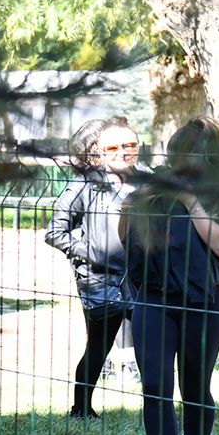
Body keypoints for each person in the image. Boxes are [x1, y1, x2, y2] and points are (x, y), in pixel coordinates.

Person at [120, 117, 219, 435]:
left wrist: (190, 201)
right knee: (155, 385)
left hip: (205, 299)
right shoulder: (158, 183)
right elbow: (125, 236)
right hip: (154, 295)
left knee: (194, 383)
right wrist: (134, 204)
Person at [44, 117, 140, 418]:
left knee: (153, 348)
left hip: (145, 279)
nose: (122, 152)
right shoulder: (85, 184)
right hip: (101, 281)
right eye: (113, 147)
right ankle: (81, 408)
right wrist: (93, 253)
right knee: (99, 346)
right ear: (100, 151)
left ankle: (157, 409)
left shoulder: (150, 181)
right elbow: (54, 232)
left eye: (129, 145)